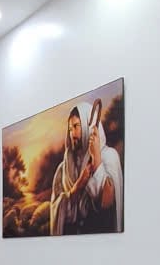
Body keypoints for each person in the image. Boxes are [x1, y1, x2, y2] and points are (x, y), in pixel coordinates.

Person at [50, 99, 124, 234]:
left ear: (87, 126)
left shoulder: (109, 156)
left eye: (76, 126)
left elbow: (109, 204)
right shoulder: (62, 169)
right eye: (70, 129)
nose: (72, 134)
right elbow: (55, 208)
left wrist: (97, 159)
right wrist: (78, 186)